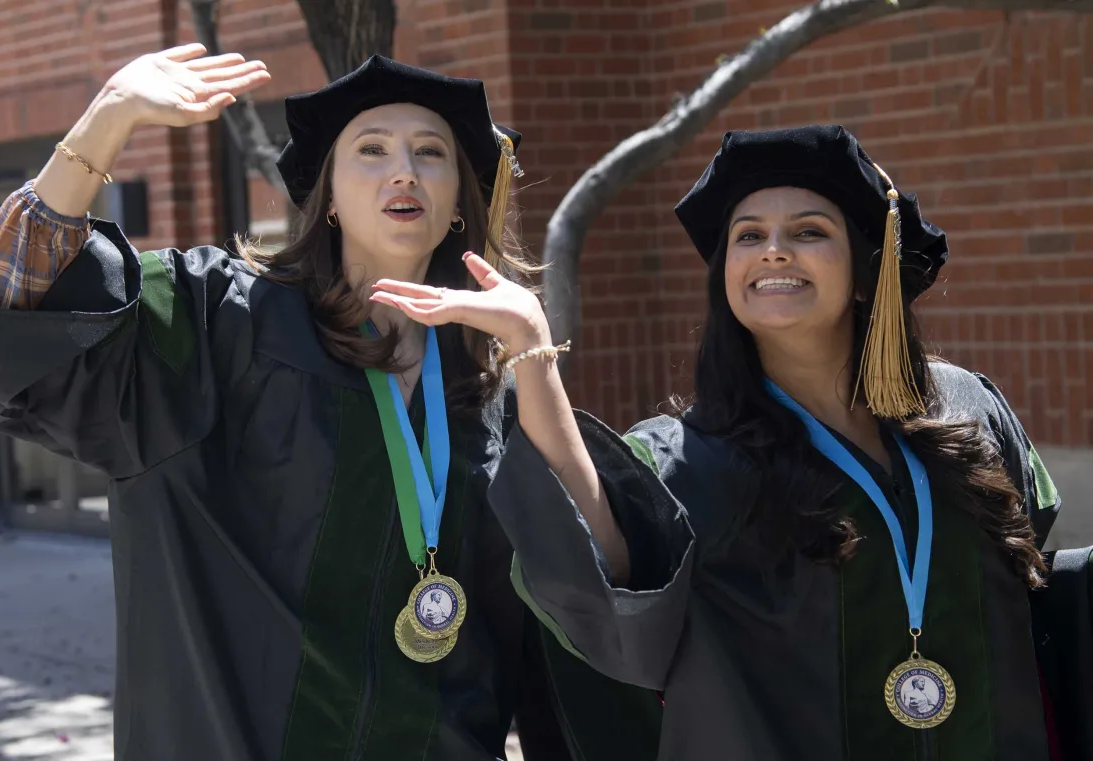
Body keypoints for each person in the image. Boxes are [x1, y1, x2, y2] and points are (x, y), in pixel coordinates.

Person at [0, 45, 662, 761]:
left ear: (457, 201)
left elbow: (604, 584)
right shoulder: (221, 323)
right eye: (372, 148)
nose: (403, 169)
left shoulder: (490, 385)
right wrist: (105, 120)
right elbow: (20, 309)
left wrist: (537, 357)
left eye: (430, 152)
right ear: (327, 195)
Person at [370, 125, 1093, 760]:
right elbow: (603, 575)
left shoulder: (969, 410)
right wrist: (533, 350)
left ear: (869, 267)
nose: (773, 251)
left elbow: (1038, 586)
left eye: (809, 230)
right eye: (748, 235)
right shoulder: (688, 460)